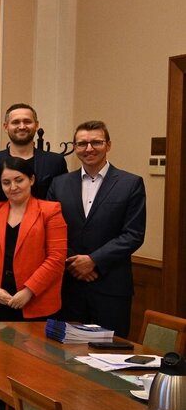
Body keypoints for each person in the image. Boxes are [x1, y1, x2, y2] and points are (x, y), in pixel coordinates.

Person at [46, 120, 146, 337]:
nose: (89, 148)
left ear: (108, 145)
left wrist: (94, 261)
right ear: (75, 147)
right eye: (82, 144)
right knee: (64, 357)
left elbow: (133, 234)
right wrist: (75, 263)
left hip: (111, 287)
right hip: (69, 286)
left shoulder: (130, 184)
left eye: (96, 142)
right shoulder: (59, 184)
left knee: (110, 354)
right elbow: (50, 232)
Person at [0, 157, 67, 320]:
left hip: (36, 301)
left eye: (19, 180)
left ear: (31, 179)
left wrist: (29, 291)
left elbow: (56, 258)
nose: (13, 187)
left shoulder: (50, 211)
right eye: (6, 182)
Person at [0, 104, 69, 202]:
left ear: (36, 125)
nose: (22, 126)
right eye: (16, 122)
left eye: (27, 121)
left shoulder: (56, 162)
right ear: (6, 127)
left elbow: (64, 199)